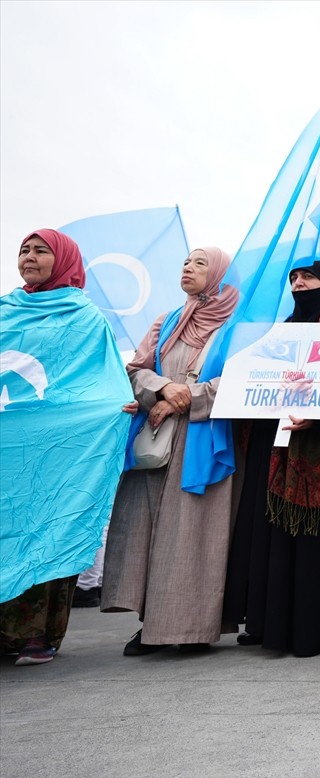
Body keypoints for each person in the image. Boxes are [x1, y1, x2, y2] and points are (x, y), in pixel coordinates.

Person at [222, 260, 320, 657]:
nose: (299, 284)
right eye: (293, 279)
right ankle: (272, 623)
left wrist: (319, 415)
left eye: (308, 277)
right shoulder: (278, 332)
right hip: (280, 448)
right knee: (276, 533)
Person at [1, 230, 131, 665]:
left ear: (63, 261)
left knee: (49, 526)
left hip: (58, 451)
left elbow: (100, 381)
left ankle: (40, 635)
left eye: (41, 251)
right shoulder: (5, 311)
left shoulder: (84, 318)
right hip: (9, 447)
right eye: (24, 250)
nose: (30, 257)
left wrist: (112, 410)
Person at [102, 247, 240, 654]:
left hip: (203, 438)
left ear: (219, 275)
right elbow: (134, 369)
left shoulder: (236, 326)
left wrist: (183, 396)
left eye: (200, 262)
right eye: (185, 260)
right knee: (148, 531)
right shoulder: (166, 322)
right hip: (158, 437)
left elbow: (237, 382)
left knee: (192, 535)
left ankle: (191, 629)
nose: (188, 267)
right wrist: (160, 389)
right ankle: (153, 626)